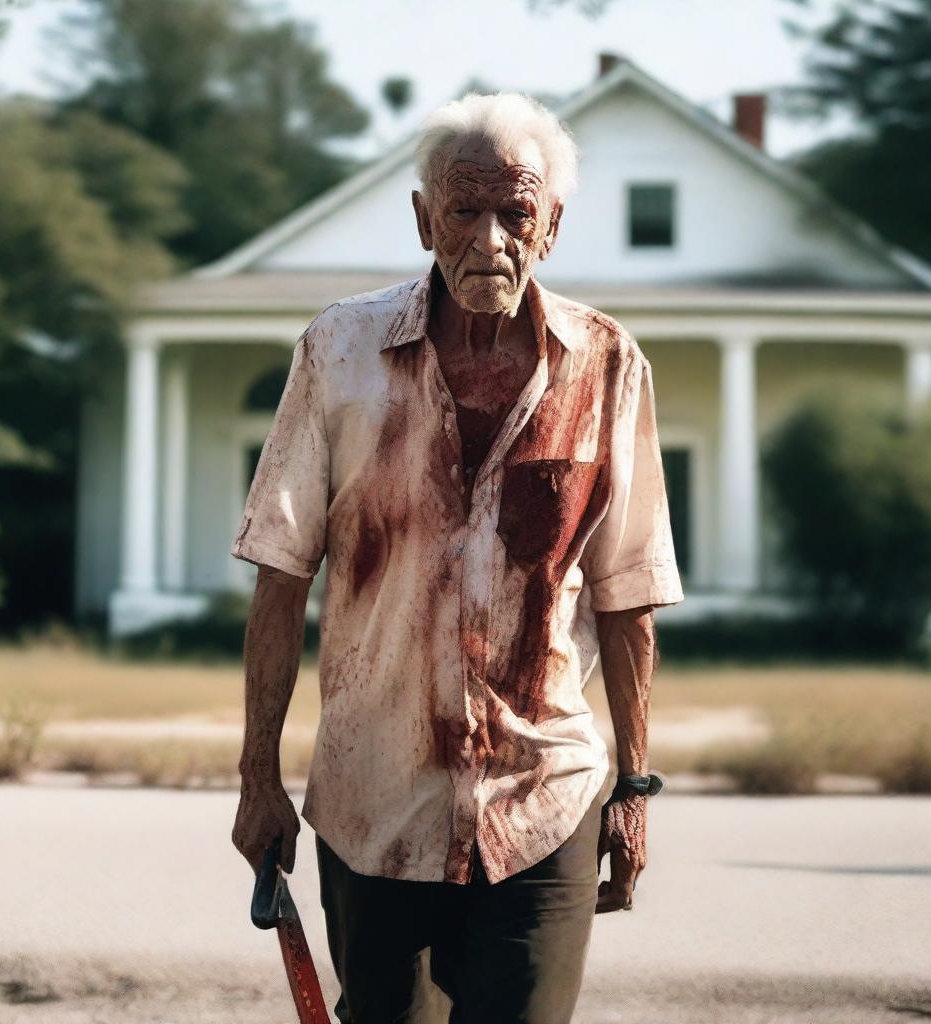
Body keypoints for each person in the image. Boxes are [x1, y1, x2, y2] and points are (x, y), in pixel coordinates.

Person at [230, 90, 684, 1024]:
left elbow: (627, 590)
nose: (487, 239)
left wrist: (634, 788)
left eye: (514, 212)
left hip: (544, 794)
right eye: (461, 209)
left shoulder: (607, 364)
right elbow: (281, 575)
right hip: (372, 798)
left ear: (550, 225)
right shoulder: (340, 352)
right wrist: (258, 779)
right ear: (422, 216)